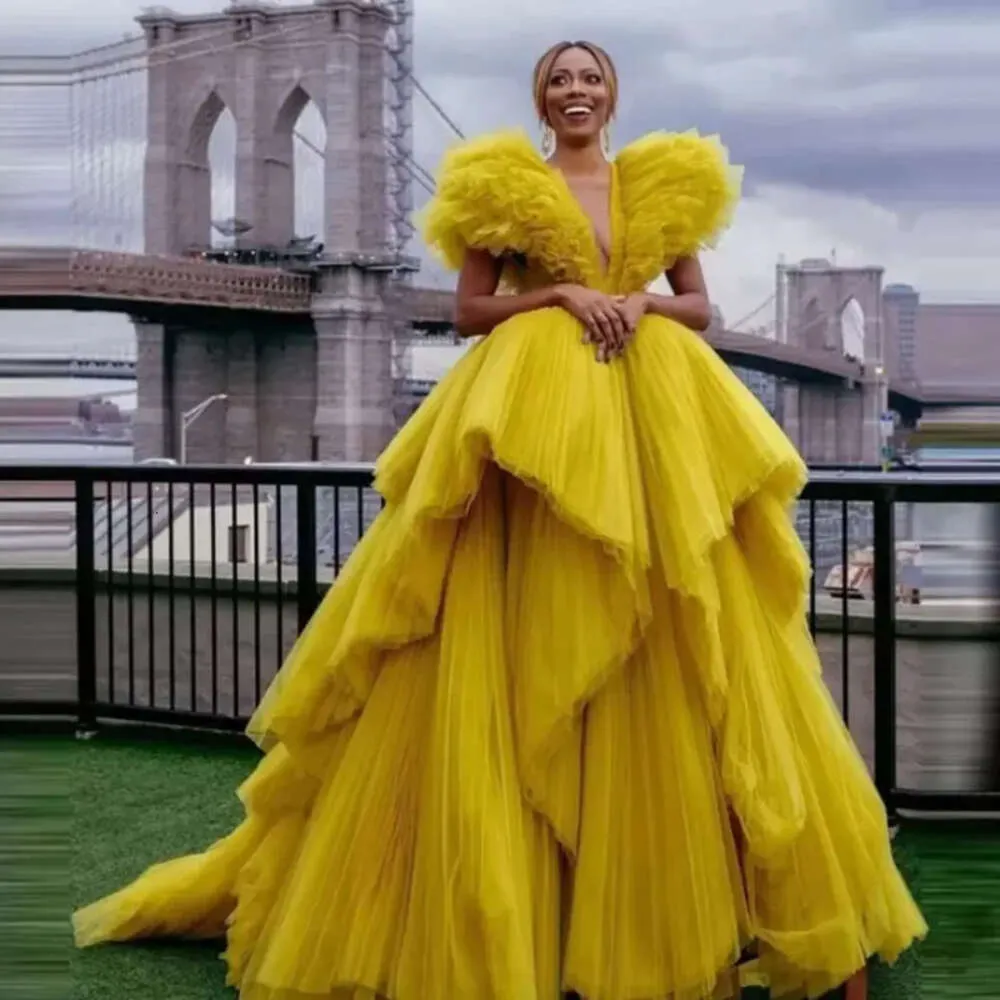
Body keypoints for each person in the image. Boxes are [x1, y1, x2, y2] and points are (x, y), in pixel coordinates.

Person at [74, 39, 926, 1000]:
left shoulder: (663, 182)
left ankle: (713, 915)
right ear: (541, 95)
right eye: (560, 80)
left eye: (591, 78)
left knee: (686, 633)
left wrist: (637, 303)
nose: (576, 92)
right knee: (517, 633)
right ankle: (542, 923)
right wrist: (562, 294)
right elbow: (473, 311)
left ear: (613, 93)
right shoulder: (496, 185)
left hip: (656, 424)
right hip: (529, 428)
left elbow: (699, 305)